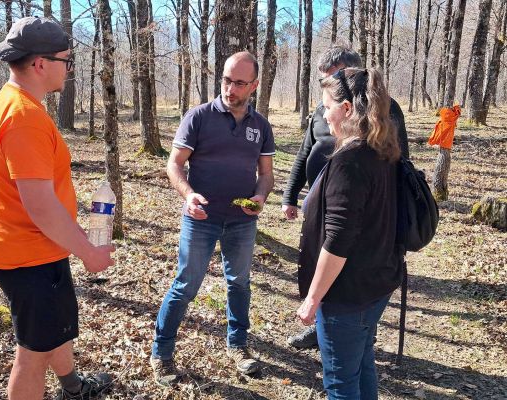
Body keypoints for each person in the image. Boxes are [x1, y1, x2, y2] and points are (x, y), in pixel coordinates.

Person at [0, 17, 115, 400]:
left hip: (35, 250)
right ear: (41, 63)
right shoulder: (23, 116)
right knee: (32, 356)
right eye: (66, 60)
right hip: (29, 257)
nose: (69, 68)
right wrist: (88, 251)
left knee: (54, 331)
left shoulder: (14, 104)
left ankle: (73, 388)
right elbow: (40, 205)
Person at [150, 51, 275, 387]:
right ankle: (161, 353)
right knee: (186, 285)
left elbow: (266, 174)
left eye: (239, 83)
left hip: (241, 221)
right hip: (201, 219)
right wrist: (188, 195)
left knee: (239, 283)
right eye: (226, 80)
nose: (230, 89)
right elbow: (174, 164)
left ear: (254, 85)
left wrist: (260, 197)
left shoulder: (260, 126)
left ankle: (238, 346)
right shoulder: (199, 117)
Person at [283, 45, 409, 349]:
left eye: (334, 77)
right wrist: (290, 195)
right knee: (328, 266)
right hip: (326, 207)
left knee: (350, 274)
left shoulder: (385, 112)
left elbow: (399, 163)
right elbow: (305, 152)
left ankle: (356, 330)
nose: (328, 86)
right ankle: (327, 328)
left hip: (364, 214)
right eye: (324, 80)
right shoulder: (323, 110)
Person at [295, 67, 403, 399]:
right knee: (362, 363)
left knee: (341, 383)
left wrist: (313, 298)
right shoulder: (381, 150)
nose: (323, 114)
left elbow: (338, 240)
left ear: (345, 109)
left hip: (348, 295)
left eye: (326, 106)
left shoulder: (349, 162)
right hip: (376, 284)